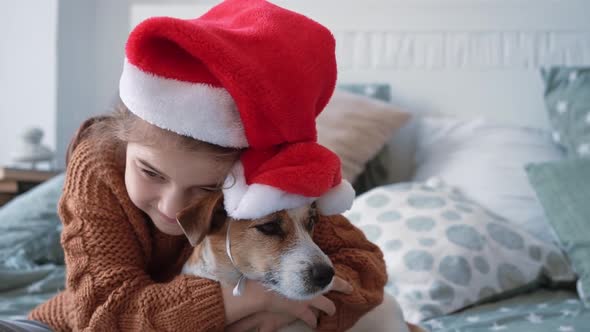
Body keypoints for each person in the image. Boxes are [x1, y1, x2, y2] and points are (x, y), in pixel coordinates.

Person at [16, 0, 387, 331]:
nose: (173, 208)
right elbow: (102, 317)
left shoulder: (269, 190)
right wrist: (252, 300)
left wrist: (285, 313)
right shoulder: (98, 167)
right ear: (125, 143)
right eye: (151, 173)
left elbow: (365, 270)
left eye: (209, 187)